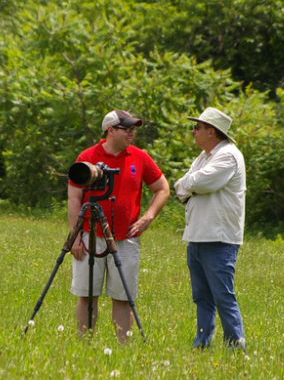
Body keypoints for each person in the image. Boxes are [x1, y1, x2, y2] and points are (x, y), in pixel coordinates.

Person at [69, 110, 170, 342]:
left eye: (134, 129)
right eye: (127, 129)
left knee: (123, 297)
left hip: (126, 238)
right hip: (89, 235)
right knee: (87, 294)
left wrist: (147, 218)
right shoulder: (87, 156)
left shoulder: (140, 157)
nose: (132, 133)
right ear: (110, 130)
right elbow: (74, 198)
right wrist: (74, 238)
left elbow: (162, 188)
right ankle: (84, 344)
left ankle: (123, 347)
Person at [174, 107, 247, 351]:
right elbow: (181, 186)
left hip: (219, 238)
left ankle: (235, 347)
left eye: (197, 127)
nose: (193, 132)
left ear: (212, 132)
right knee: (202, 296)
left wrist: (190, 184)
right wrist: (191, 184)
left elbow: (200, 182)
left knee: (223, 296)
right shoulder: (204, 157)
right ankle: (202, 344)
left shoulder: (228, 155)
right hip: (197, 236)